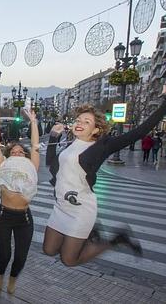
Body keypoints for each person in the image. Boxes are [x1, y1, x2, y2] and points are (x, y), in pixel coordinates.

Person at [44, 88, 166, 267]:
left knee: (69, 259)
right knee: (49, 250)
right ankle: (89, 236)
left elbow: (140, 131)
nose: (80, 123)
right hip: (61, 206)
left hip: (80, 210)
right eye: (78, 120)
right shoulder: (69, 144)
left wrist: (164, 105)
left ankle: (116, 240)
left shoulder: (102, 146)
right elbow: (51, 164)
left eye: (87, 122)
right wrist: (54, 136)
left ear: (96, 130)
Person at [0, 108, 39, 294]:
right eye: (14, 151)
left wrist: (33, 122)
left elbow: (35, 146)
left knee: (20, 256)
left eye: (21, 152)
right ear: (9, 155)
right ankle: (0, 276)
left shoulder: (31, 166)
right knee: (5, 254)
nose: (18, 153)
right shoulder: (3, 165)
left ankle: (12, 279)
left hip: (24, 218)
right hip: (4, 216)